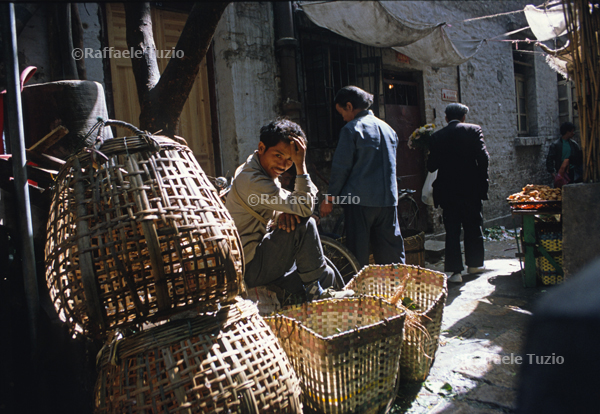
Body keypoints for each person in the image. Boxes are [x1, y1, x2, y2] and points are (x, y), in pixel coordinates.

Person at [225, 118, 352, 301]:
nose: (283, 165)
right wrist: (301, 166)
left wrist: (286, 212)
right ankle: (316, 294)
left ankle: (319, 294)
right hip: (249, 268)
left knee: (328, 275)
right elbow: (305, 207)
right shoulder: (252, 180)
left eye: (290, 160)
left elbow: (290, 203)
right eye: (278, 155)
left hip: (258, 259)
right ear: (261, 148)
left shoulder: (259, 170)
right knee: (305, 224)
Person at [320, 85, 405, 268]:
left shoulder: (351, 129)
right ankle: (397, 290)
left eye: (341, 112)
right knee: (391, 252)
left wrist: (329, 198)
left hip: (360, 202)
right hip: (388, 200)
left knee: (357, 255)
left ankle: (360, 294)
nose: (342, 117)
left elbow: (340, 168)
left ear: (349, 106)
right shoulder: (389, 130)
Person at [427, 103, 490, 283]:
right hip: (471, 189)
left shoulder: (437, 136)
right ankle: (474, 264)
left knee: (452, 230)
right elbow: (484, 158)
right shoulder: (474, 130)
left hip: (448, 192)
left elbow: (431, 166)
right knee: (473, 225)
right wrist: (481, 181)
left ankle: (455, 272)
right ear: (464, 117)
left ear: (446, 118)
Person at [546, 121, 583, 186]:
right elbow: (550, 159)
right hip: (561, 172)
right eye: (572, 131)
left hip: (572, 172)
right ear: (567, 132)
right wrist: (552, 173)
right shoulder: (556, 145)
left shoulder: (574, 144)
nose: (573, 133)